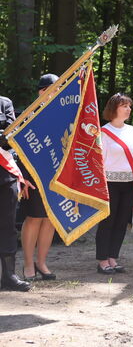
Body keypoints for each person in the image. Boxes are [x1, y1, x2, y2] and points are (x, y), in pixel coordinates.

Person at [96, 94, 133, 274]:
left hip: (130, 183)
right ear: (114, 108)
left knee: (122, 222)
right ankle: (102, 260)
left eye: (130, 106)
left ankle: (113, 258)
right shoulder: (103, 132)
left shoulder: (131, 130)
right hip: (109, 183)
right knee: (107, 222)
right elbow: (98, 162)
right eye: (125, 106)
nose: (128, 109)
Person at [19, 74, 60, 281]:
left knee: (50, 219)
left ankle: (41, 262)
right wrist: (22, 178)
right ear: (42, 91)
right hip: (32, 176)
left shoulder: (62, 116)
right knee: (34, 218)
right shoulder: (28, 115)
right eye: (54, 88)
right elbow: (19, 149)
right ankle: (27, 264)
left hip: (55, 176)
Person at [0, 95, 32, 291]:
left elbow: (12, 137)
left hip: (5, 176)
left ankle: (9, 276)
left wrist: (5, 138)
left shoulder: (5, 103)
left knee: (7, 225)